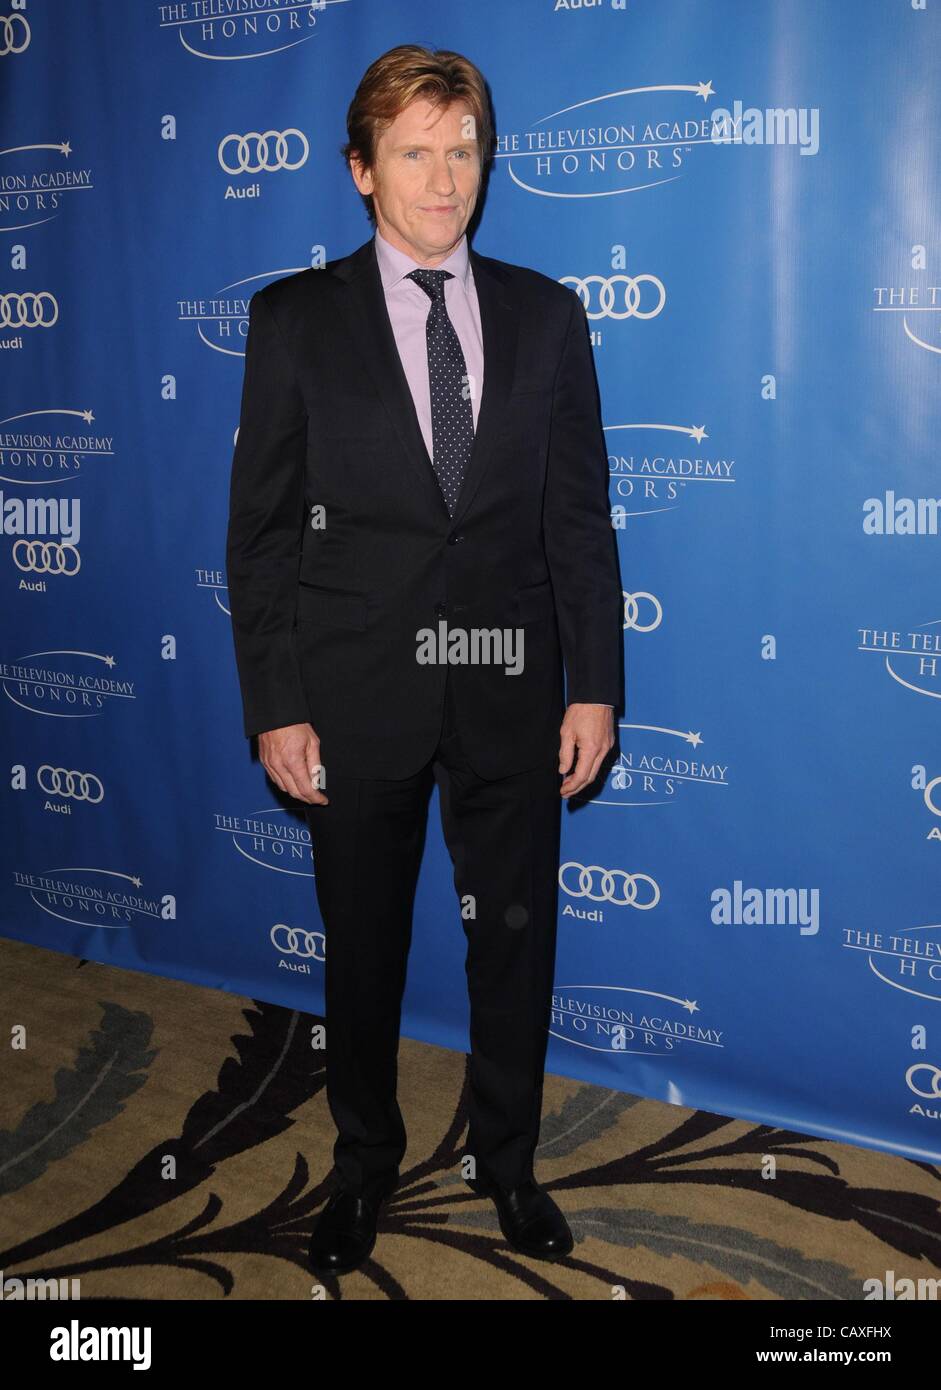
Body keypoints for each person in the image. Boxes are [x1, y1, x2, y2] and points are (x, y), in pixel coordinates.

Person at [225, 44, 623, 1276]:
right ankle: (360, 1170)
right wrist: (277, 701)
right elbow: (263, 533)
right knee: (363, 948)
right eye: (414, 151)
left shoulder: (548, 315)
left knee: (513, 942)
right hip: (355, 695)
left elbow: (575, 519)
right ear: (360, 169)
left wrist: (595, 683)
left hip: (509, 688)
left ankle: (506, 1166)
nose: (444, 177)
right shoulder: (292, 322)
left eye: (462, 148)